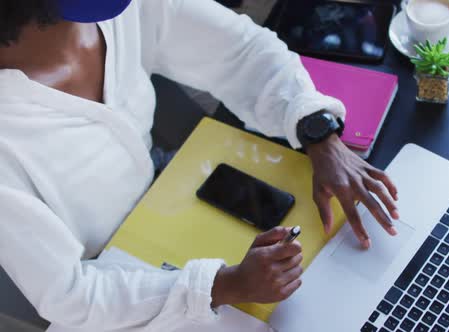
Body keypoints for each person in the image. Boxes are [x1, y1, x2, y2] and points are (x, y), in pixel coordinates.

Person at [0, 0, 399, 330]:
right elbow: (70, 296)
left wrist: (316, 129)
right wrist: (221, 286)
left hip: (168, 199)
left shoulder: (120, 10)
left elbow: (240, 50)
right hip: (110, 289)